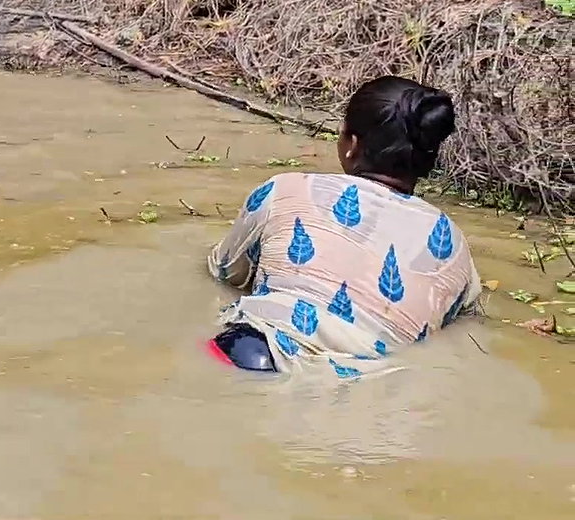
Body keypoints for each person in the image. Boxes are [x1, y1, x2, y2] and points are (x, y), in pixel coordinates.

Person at [204, 75, 483, 378]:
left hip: (258, 356)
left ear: (351, 144)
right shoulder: (453, 245)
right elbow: (463, 322)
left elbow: (225, 272)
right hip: (375, 385)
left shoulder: (284, 190)